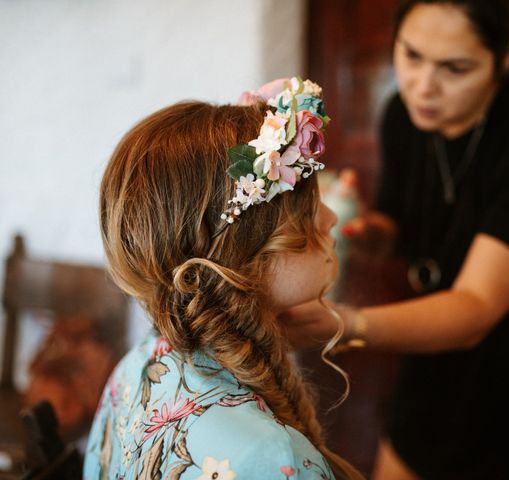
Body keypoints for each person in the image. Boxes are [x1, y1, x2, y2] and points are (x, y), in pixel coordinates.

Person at [281, 1, 509, 479]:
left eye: (454, 68)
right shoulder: (402, 114)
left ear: (505, 58)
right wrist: (368, 230)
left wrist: (338, 323)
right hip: (436, 330)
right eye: (411, 55)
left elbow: (476, 305)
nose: (423, 86)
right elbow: (402, 230)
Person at [83, 78, 364, 480]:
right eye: (306, 207)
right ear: (243, 246)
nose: (330, 218)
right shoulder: (269, 458)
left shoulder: (143, 361)